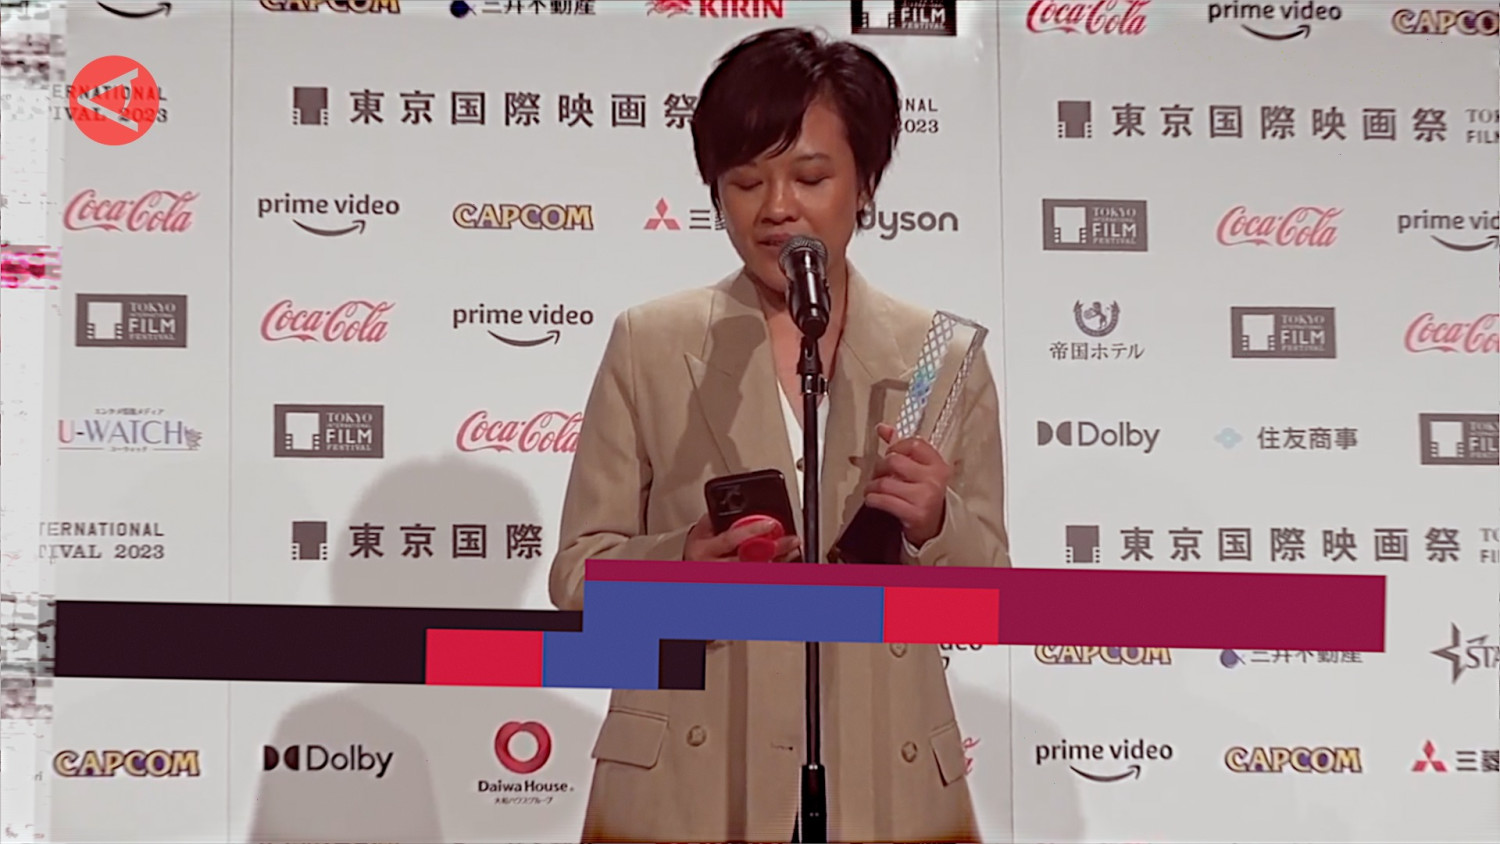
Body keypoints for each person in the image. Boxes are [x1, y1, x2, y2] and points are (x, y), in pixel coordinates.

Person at [548, 26, 1010, 844]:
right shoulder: (651, 343)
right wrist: (682, 562)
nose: (776, 208)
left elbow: (990, 597)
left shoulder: (941, 358)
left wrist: (936, 523)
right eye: (745, 181)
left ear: (865, 184)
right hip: (693, 779)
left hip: (886, 774)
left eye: (811, 176)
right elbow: (579, 574)